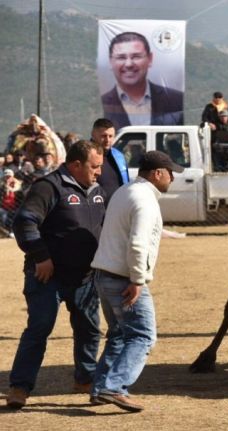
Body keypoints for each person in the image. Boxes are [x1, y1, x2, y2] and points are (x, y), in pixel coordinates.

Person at [5, 141, 106, 410]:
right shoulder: (48, 187)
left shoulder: (98, 191)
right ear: (75, 165)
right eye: (94, 167)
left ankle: (85, 380)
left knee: (89, 330)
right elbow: (25, 222)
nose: (99, 172)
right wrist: (41, 257)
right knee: (39, 330)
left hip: (86, 277)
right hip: (47, 277)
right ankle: (19, 388)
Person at [90, 151, 183, 412]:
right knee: (143, 335)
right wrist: (137, 278)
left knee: (119, 334)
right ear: (157, 174)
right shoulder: (145, 200)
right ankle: (114, 387)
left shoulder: (125, 191)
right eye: (170, 172)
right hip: (123, 279)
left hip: (104, 275)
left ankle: (100, 388)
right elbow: (138, 243)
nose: (173, 178)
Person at [101, 32, 184, 130]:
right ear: (111, 61)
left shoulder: (177, 100)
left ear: (150, 59)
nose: (128, 64)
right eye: (121, 57)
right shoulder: (101, 104)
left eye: (136, 56)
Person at [92, 118, 129, 203]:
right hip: (93, 209)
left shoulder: (119, 157)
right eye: (103, 136)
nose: (107, 140)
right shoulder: (84, 155)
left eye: (110, 136)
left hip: (117, 209)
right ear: (93, 134)